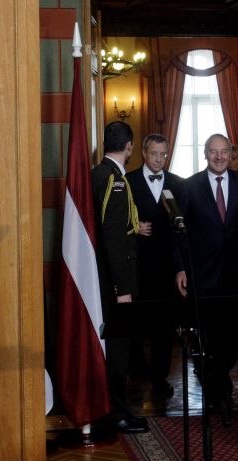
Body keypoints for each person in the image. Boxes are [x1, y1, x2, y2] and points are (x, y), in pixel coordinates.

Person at [175, 133, 238, 426]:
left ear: (230, 153)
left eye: (223, 151)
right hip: (202, 274)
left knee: (232, 337)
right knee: (208, 334)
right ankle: (219, 390)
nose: (219, 157)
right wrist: (180, 268)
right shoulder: (190, 186)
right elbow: (179, 234)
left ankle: (217, 377)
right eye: (213, 152)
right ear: (206, 154)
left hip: (236, 273)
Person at [91, 121, 149, 434]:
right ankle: (117, 413)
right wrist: (122, 288)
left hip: (100, 279)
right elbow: (113, 238)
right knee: (117, 351)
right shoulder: (114, 180)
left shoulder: (97, 174)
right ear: (129, 146)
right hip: (114, 283)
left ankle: (112, 409)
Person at [125, 133, 184, 399]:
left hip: (168, 268)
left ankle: (160, 378)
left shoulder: (178, 184)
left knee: (165, 327)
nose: (159, 159)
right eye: (154, 154)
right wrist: (133, 226)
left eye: (163, 154)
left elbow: (185, 224)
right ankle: (135, 376)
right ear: (144, 154)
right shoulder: (128, 182)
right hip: (137, 266)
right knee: (136, 324)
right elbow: (113, 222)